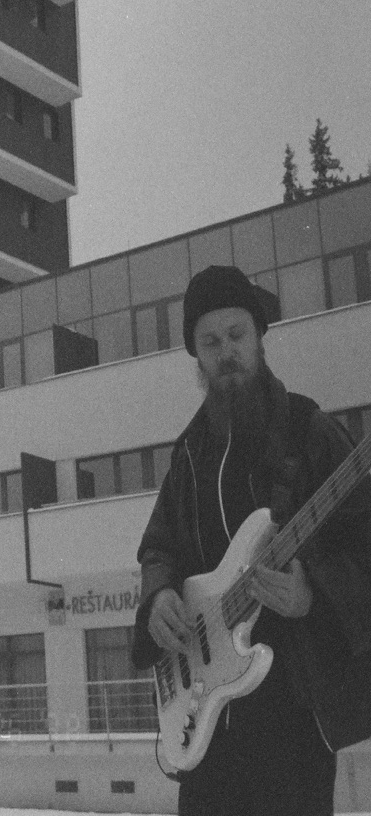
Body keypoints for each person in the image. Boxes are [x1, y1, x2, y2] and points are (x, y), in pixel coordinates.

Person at [131, 265, 371, 816]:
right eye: (210, 342)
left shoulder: (309, 430)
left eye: (236, 335)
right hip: (206, 722)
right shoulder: (189, 454)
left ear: (260, 336)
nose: (227, 353)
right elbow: (159, 545)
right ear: (196, 356)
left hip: (295, 718)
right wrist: (159, 595)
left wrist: (313, 593)